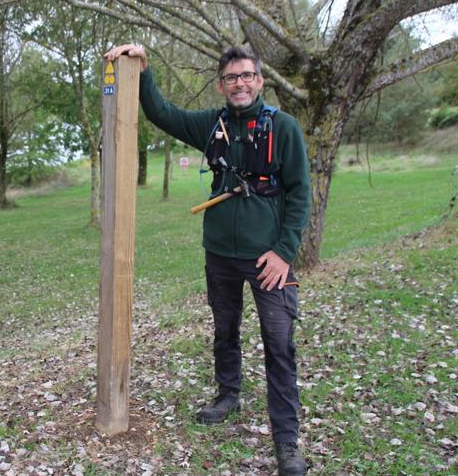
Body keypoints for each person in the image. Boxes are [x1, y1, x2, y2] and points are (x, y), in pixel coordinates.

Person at [104, 44, 311, 476]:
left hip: (269, 259)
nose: (240, 83)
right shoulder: (210, 125)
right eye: (231, 77)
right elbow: (162, 112)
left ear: (259, 80)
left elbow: (300, 194)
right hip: (219, 253)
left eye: (247, 76)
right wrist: (144, 68)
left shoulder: (284, 128)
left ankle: (287, 439)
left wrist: (284, 253)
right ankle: (228, 395)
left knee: (279, 345)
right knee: (225, 329)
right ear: (221, 84)